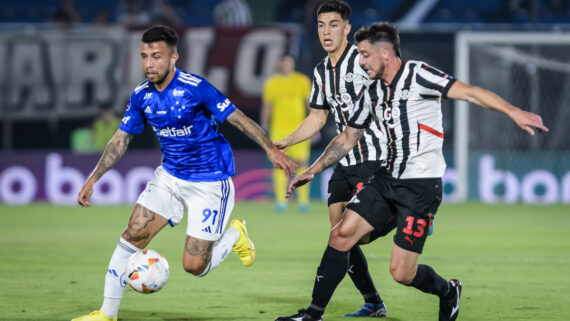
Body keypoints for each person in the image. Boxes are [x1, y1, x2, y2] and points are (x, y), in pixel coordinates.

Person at [276, 22, 549, 321]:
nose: (361, 61)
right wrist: (313, 170)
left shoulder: (419, 74)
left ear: (385, 53)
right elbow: (347, 137)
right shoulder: (371, 91)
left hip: (421, 189)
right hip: (386, 179)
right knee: (341, 235)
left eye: (365, 55)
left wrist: (514, 112)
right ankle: (312, 315)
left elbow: (469, 93)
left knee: (401, 272)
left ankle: (448, 291)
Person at [72, 25, 297, 321]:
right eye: (144, 57)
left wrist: (269, 148)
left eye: (156, 56)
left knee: (194, 266)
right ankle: (106, 313)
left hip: (210, 182)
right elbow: (120, 139)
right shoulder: (141, 96)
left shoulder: (195, 88)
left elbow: (237, 118)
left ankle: (235, 234)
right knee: (132, 234)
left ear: (173, 57)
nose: (149, 64)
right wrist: (93, 178)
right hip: (170, 177)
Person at [274, 0, 389, 317]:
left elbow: (391, 98)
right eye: (322, 24)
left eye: (334, 24)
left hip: (375, 158)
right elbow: (317, 117)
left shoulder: (364, 63)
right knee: (340, 237)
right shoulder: (321, 71)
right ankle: (374, 302)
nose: (326, 31)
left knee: (354, 235)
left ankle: (412, 210)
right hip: (344, 162)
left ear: (347, 28)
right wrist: (287, 140)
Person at [261, 54, 312, 212]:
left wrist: (313, 126)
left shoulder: (302, 81)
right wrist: (264, 126)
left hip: (300, 130)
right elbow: (267, 106)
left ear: (293, 64)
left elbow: (309, 104)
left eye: (289, 63)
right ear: (280, 65)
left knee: (302, 163)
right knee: (279, 164)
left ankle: (303, 201)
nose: (286, 65)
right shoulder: (272, 83)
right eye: (283, 63)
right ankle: (281, 201)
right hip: (279, 130)